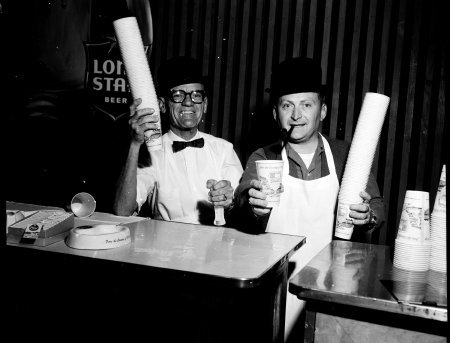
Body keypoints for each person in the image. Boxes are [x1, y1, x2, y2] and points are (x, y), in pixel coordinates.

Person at [234, 57, 385, 341]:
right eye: (287, 105)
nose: (296, 115)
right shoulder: (263, 157)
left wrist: (368, 216)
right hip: (277, 289)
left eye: (306, 104)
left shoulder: (345, 156)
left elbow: (376, 206)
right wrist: (251, 204)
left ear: (323, 110)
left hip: (334, 286)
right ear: (275, 113)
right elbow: (242, 200)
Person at [114, 56, 243, 225]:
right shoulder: (152, 152)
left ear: (205, 104)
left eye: (196, 95)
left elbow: (243, 207)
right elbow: (123, 210)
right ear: (162, 105)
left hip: (214, 247)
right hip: (166, 248)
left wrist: (230, 200)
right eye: (178, 95)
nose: (188, 102)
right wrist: (135, 144)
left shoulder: (224, 150)